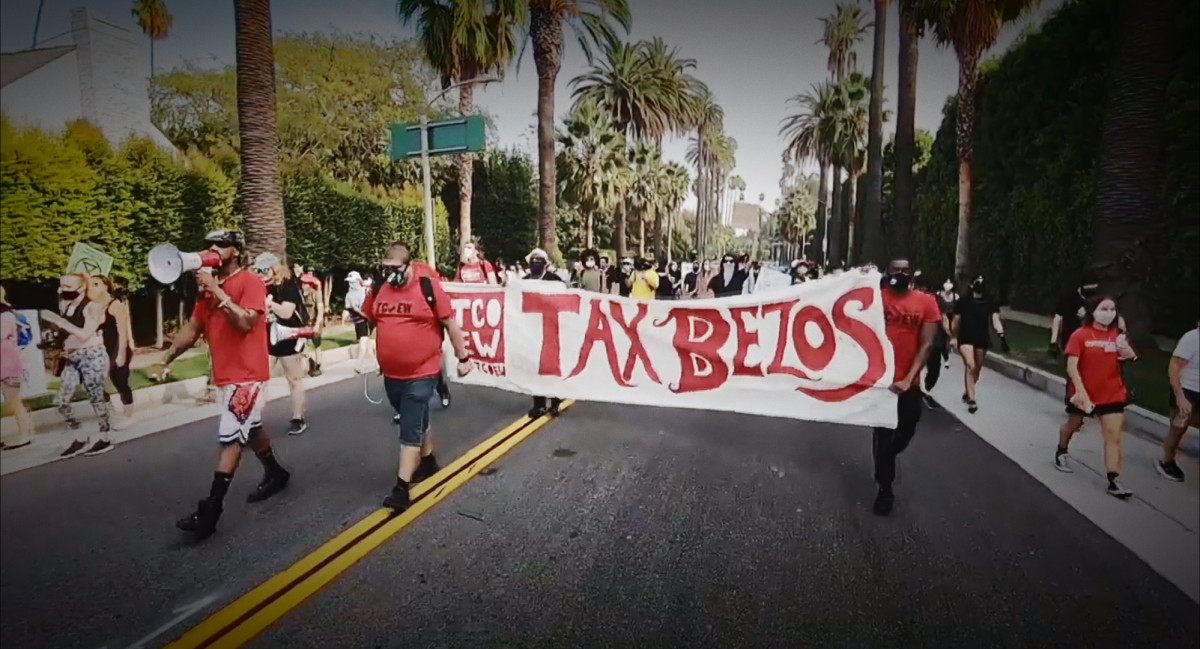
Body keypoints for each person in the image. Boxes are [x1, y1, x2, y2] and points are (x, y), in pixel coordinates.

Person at [157, 230, 291, 538]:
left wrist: (218, 291)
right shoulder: (207, 291)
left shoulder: (251, 282)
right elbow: (192, 329)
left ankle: (210, 511)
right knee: (251, 427)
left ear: (236, 251)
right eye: (210, 245)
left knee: (231, 438)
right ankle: (275, 472)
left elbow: (246, 323)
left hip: (247, 376)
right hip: (226, 376)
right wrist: (166, 358)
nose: (212, 249)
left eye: (220, 245)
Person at [362, 241, 471, 512]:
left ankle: (401, 488)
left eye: (395, 268)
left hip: (423, 370)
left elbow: (449, 322)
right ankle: (429, 459)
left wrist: (463, 356)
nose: (390, 274)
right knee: (416, 415)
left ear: (409, 265)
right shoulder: (379, 289)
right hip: (392, 374)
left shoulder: (427, 287)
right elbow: (373, 321)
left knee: (408, 424)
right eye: (385, 268)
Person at [873, 258, 941, 516]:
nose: (900, 274)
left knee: (905, 431)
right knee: (883, 437)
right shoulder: (875, 299)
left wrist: (908, 377)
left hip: (908, 383)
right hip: (880, 384)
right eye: (895, 270)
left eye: (905, 271)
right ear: (887, 273)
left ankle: (886, 460)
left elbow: (927, 344)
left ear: (912, 274)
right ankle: (885, 488)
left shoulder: (926, 302)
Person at [1054, 295, 1137, 499]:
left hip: (1112, 393)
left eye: (1112, 309)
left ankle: (1113, 479)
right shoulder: (1080, 335)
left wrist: (1125, 347)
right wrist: (1080, 391)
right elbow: (1072, 366)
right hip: (1084, 394)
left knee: (1113, 436)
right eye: (1104, 308)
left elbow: (1130, 357)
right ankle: (1061, 450)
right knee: (1073, 424)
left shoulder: (1116, 335)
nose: (1108, 313)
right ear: (1093, 311)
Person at [41, 274, 114, 458]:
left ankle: (104, 437)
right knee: (62, 401)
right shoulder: (65, 306)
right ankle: (80, 437)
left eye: (68, 286)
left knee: (96, 397)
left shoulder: (93, 307)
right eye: (61, 285)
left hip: (92, 355)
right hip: (71, 357)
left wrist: (60, 321)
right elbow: (65, 330)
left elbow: (85, 334)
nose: (63, 290)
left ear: (81, 288)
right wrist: (53, 334)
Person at [255, 253, 310, 435]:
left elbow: (287, 312)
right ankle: (253, 421)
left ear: (274, 269)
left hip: (288, 336)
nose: (260, 274)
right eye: (257, 270)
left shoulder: (289, 285)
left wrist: (270, 305)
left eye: (263, 269)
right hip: (266, 336)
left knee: (294, 379)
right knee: (259, 380)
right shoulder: (259, 286)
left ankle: (297, 417)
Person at [950, 275, 1008, 414]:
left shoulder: (989, 302)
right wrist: (953, 336)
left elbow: (995, 319)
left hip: (981, 338)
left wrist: (1000, 333)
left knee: (977, 369)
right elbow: (956, 320)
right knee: (971, 365)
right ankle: (972, 399)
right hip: (966, 337)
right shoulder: (963, 301)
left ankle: (968, 391)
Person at [87, 275, 135, 430]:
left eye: (96, 284)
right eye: (90, 284)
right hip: (101, 349)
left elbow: (122, 332)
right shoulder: (93, 307)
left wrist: (122, 354)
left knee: (120, 382)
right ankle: (110, 413)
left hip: (116, 348)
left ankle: (128, 415)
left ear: (106, 286)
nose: (92, 287)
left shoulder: (115, 305)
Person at [524, 249, 567, 417]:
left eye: (539, 261)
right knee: (535, 368)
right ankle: (539, 404)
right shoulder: (524, 282)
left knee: (551, 367)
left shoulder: (553, 280)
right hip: (531, 331)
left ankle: (555, 401)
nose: (535, 264)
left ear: (545, 263)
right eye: (533, 261)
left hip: (551, 330)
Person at [1159, 321, 1199, 482]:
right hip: (1187, 388)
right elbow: (1174, 365)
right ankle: (1167, 461)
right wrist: (1180, 397)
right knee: (1178, 428)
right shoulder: (1192, 339)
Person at [1, 285, 35, 450]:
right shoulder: (8, 313)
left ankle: (24, 435)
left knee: (14, 401)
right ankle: (24, 433)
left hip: (7, 364)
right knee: (12, 401)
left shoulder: (5, 315)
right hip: (7, 363)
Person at [922, 279, 957, 409]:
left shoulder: (935, 300)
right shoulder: (910, 297)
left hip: (934, 340)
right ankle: (919, 391)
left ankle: (924, 389)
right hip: (917, 339)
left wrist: (951, 335)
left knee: (934, 369)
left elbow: (945, 319)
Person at [345, 271, 375, 373]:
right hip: (359, 320)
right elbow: (352, 308)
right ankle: (363, 364)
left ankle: (372, 364)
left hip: (364, 320)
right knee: (365, 343)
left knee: (365, 343)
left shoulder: (363, 291)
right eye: (350, 282)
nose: (351, 284)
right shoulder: (349, 295)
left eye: (353, 282)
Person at [299, 269, 325, 377]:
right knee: (301, 346)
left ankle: (318, 364)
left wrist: (317, 324)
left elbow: (320, 310)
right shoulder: (299, 294)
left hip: (314, 322)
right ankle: (310, 361)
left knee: (316, 344)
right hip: (304, 323)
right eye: (302, 283)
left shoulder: (315, 294)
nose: (303, 285)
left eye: (305, 283)